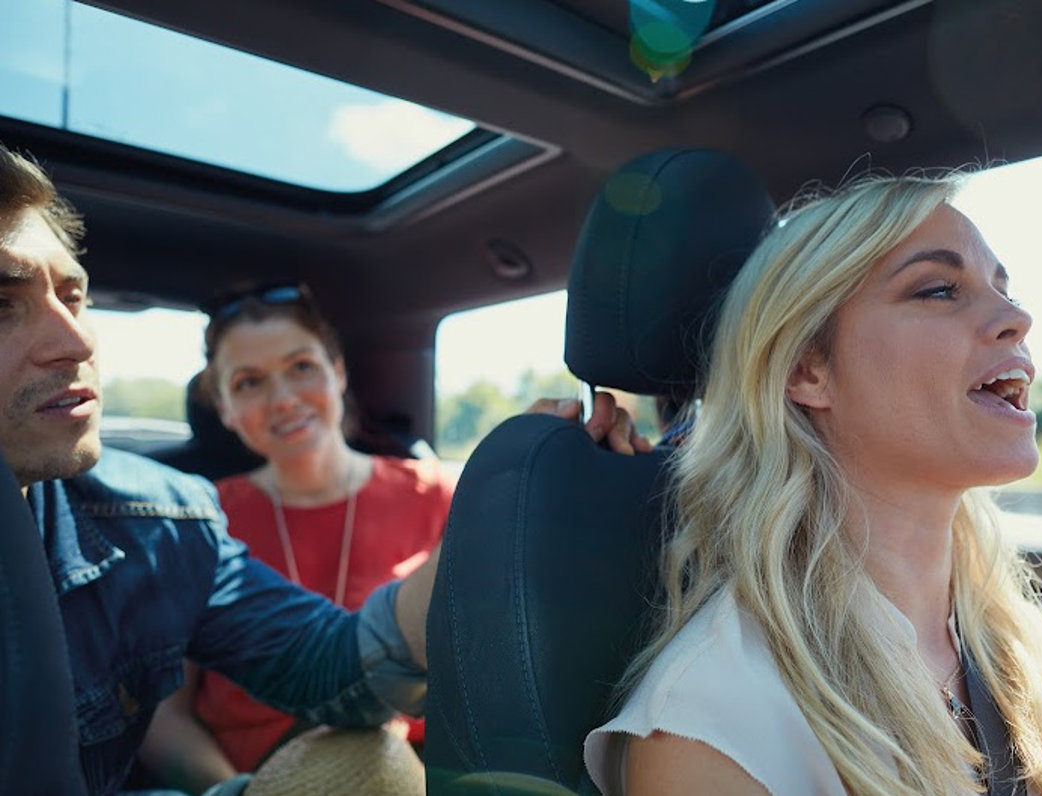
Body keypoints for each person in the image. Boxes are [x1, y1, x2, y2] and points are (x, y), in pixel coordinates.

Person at [0, 142, 644, 796]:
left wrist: (507, 505)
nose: (77, 341)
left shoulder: (164, 521)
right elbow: (174, 722)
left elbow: (335, 665)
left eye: (74, 295)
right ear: (223, 408)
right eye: (2, 304)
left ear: (339, 372)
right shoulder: (205, 508)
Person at [584, 175, 1042, 796]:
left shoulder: (1039, 662)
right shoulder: (713, 726)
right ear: (806, 369)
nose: (1018, 318)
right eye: (939, 289)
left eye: (1004, 291)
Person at [135, 283, 454, 793]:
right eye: (249, 382)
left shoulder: (439, 496)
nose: (283, 399)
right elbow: (164, 715)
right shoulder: (194, 517)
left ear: (338, 372)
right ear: (223, 408)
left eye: (301, 366)